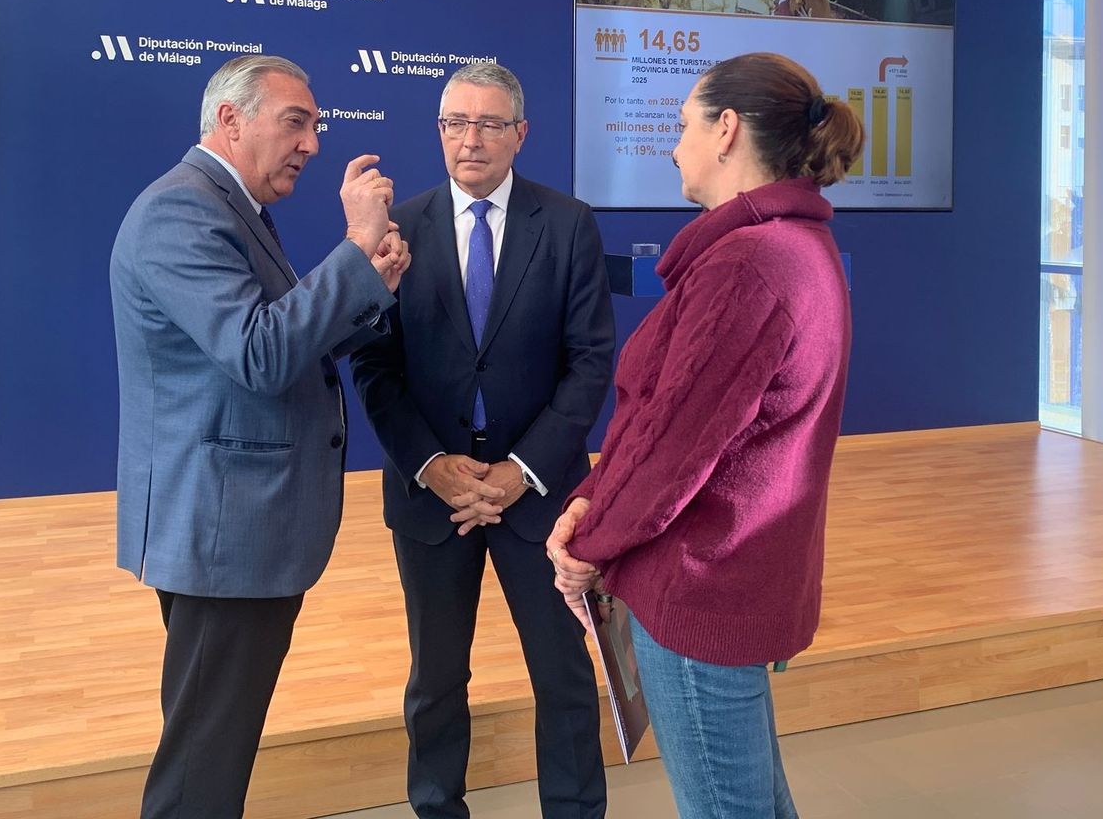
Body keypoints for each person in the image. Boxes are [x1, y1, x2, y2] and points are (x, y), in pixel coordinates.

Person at [546, 52, 863, 819]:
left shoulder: (750, 264)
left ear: (726, 131)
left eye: (682, 122)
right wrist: (593, 501)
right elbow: (669, 418)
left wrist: (586, 549)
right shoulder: (790, 248)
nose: (673, 143)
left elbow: (674, 449)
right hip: (736, 574)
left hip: (702, 585)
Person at [111, 54, 411, 819]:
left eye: (315, 125)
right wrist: (352, 249)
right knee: (204, 758)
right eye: (295, 122)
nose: (311, 142)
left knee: (215, 740)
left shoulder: (226, 204)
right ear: (230, 120)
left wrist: (368, 285)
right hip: (223, 533)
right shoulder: (182, 210)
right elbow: (261, 353)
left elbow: (279, 342)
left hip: (233, 527)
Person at [351, 62, 614, 819]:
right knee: (435, 679)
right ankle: (438, 806)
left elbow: (591, 362)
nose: (471, 140)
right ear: (439, 133)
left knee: (563, 675)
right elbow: (374, 364)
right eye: (455, 124)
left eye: (489, 123)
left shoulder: (566, 224)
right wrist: (432, 466)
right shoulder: (398, 227)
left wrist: (521, 470)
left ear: (520, 134)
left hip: (541, 498)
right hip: (434, 499)